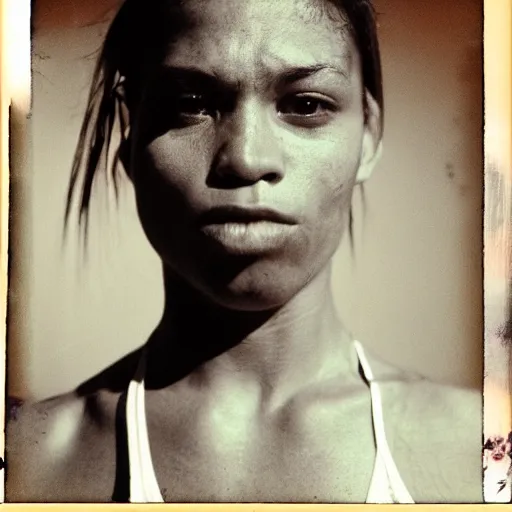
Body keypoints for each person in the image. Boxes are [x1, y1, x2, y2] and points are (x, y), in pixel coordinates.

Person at [6, 0, 483, 503]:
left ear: (368, 134)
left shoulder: (476, 453)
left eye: (304, 105)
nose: (247, 159)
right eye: (190, 102)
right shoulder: (26, 463)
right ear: (131, 132)